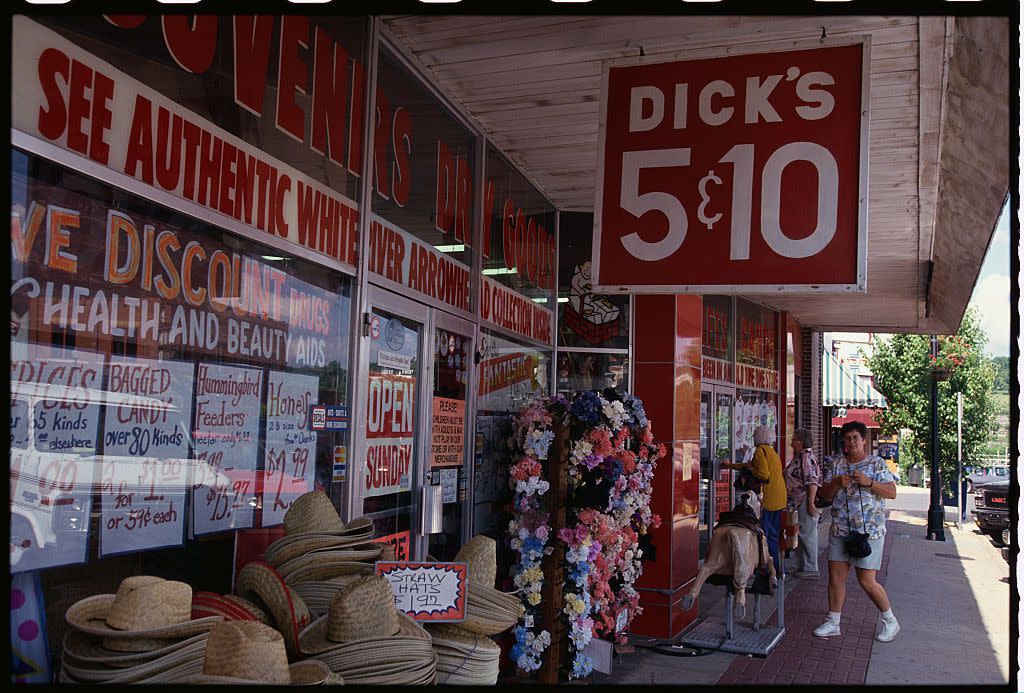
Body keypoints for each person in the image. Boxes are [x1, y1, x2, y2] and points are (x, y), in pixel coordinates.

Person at [813, 421, 900, 642]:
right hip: (840, 529)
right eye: (848, 438)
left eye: (855, 438)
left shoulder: (876, 464)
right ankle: (833, 621)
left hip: (869, 532)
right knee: (835, 577)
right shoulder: (836, 465)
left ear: (864, 440)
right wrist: (835, 484)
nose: (851, 442)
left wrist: (869, 482)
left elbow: (892, 492)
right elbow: (824, 495)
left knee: (867, 581)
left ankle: (890, 621)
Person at [724, 425, 786, 575]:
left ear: (758, 438)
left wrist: (751, 471)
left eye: (754, 436)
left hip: (769, 499)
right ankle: (778, 568)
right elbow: (748, 465)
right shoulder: (771, 452)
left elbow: (763, 474)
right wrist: (731, 465)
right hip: (780, 497)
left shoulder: (759, 451)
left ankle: (769, 569)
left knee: (764, 534)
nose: (752, 438)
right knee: (773, 534)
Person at [784, 428, 821, 578]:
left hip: (805, 499)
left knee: (808, 533)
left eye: (794, 439)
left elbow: (812, 480)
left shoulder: (807, 458)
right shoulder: (800, 457)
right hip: (798, 500)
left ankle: (811, 568)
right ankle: (799, 565)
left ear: (800, 441)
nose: (791, 442)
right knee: (801, 534)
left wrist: (811, 501)